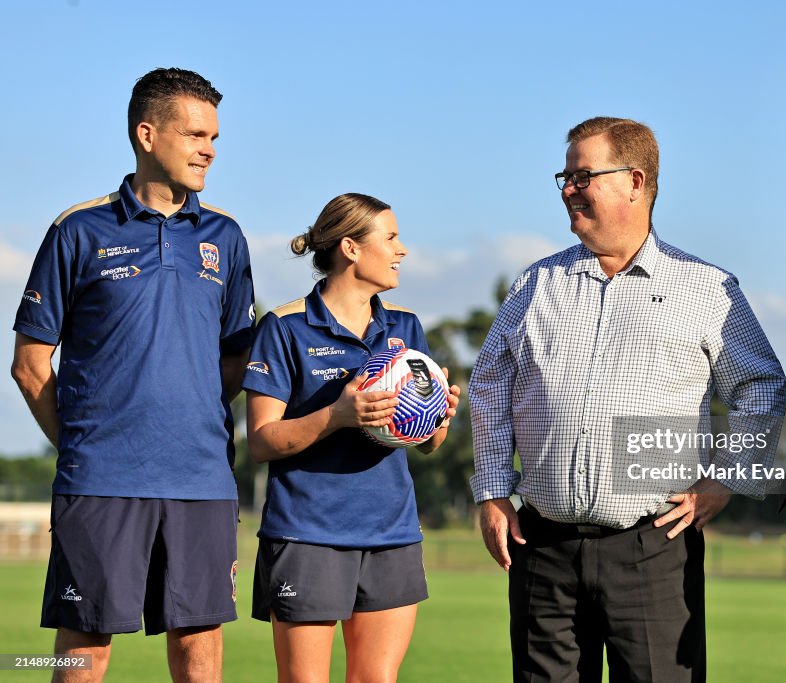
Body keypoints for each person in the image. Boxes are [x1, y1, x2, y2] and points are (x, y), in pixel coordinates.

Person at [469, 117, 786, 682]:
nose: (568, 188)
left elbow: (759, 385)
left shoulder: (706, 287)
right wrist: (493, 489)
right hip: (542, 548)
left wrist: (728, 474)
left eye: (582, 176)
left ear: (635, 182)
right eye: (564, 177)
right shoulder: (535, 285)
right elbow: (490, 384)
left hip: (653, 549)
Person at [11, 68, 255, 682]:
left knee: (198, 645)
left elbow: (234, 357)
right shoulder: (78, 230)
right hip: (101, 479)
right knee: (83, 647)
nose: (210, 150)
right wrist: (82, 445)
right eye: (196, 134)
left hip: (201, 478)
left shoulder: (225, 237)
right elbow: (30, 363)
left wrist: (189, 411)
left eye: (215, 137)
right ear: (147, 135)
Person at [243, 193, 460, 683]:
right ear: (351, 248)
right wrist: (337, 415)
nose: (402, 250)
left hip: (391, 533)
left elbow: (427, 444)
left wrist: (437, 418)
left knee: (376, 680)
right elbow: (260, 441)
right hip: (307, 535)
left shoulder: (405, 326)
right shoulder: (285, 326)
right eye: (390, 238)